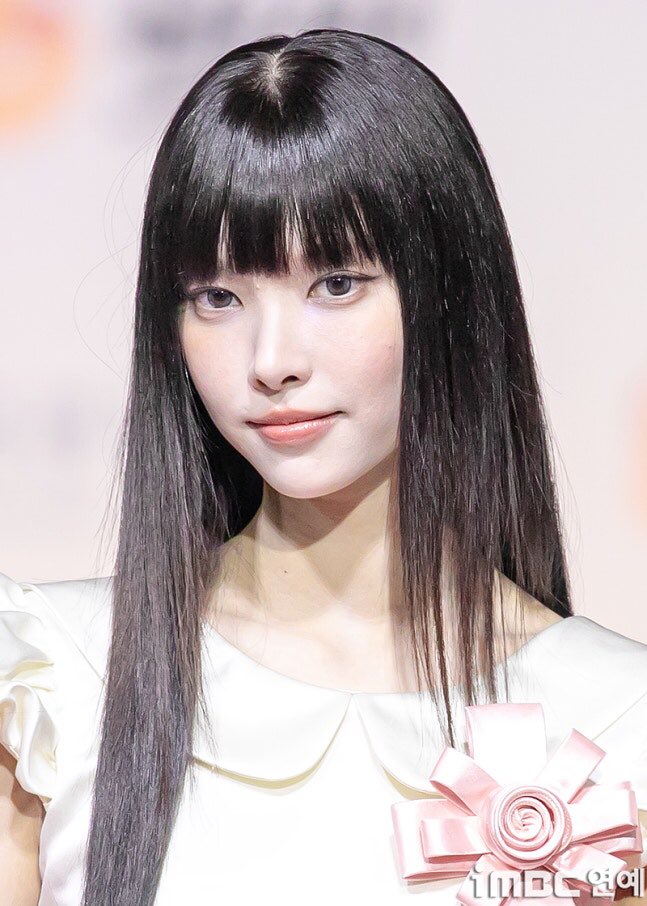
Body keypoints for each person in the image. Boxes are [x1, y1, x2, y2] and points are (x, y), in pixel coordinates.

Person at [1, 26, 646, 906]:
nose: (272, 361)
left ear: (450, 294)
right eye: (217, 297)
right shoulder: (53, 680)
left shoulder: (613, 718)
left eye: (335, 283)